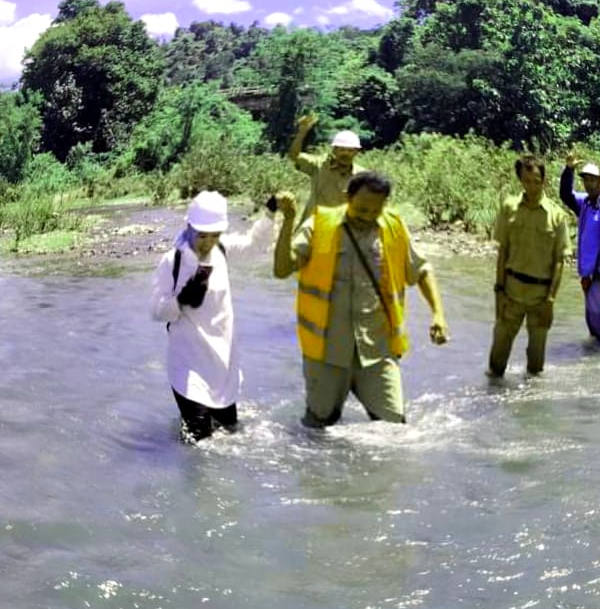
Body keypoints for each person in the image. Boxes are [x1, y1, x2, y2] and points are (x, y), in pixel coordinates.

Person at [273, 170, 449, 427]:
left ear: (384, 205)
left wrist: (438, 314)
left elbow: (422, 270)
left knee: (394, 429)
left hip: (377, 350)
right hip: (326, 352)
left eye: (374, 211)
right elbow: (281, 270)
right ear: (348, 197)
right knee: (318, 430)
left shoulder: (394, 227)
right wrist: (288, 220)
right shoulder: (319, 226)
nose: (366, 216)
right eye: (360, 209)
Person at [150, 190, 273, 441]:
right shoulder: (172, 262)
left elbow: (254, 245)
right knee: (199, 442)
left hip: (222, 362)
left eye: (214, 235)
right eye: (202, 235)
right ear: (189, 226)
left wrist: (270, 213)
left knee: (230, 434)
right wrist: (181, 299)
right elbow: (157, 310)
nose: (207, 242)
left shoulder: (222, 251)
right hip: (187, 365)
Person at [488, 155, 571, 378]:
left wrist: (550, 301)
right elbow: (502, 252)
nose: (532, 186)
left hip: (540, 299)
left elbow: (560, 262)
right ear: (521, 180)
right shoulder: (509, 208)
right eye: (527, 181)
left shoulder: (557, 216)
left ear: (544, 181)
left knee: (536, 368)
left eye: (536, 181)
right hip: (511, 293)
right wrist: (499, 292)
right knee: (496, 363)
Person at [560, 155, 600, 344]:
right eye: (586, 180)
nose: (589, 184)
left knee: (598, 321)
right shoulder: (585, 203)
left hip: (599, 276)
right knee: (592, 322)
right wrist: (568, 170)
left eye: (592, 180)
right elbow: (566, 196)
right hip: (588, 275)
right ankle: (594, 364)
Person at [288, 114, 365, 226]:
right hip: (313, 228)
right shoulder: (318, 166)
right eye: (342, 149)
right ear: (334, 150)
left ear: (356, 152)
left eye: (350, 150)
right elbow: (294, 156)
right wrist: (302, 133)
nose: (345, 153)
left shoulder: (361, 176)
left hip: (342, 232)